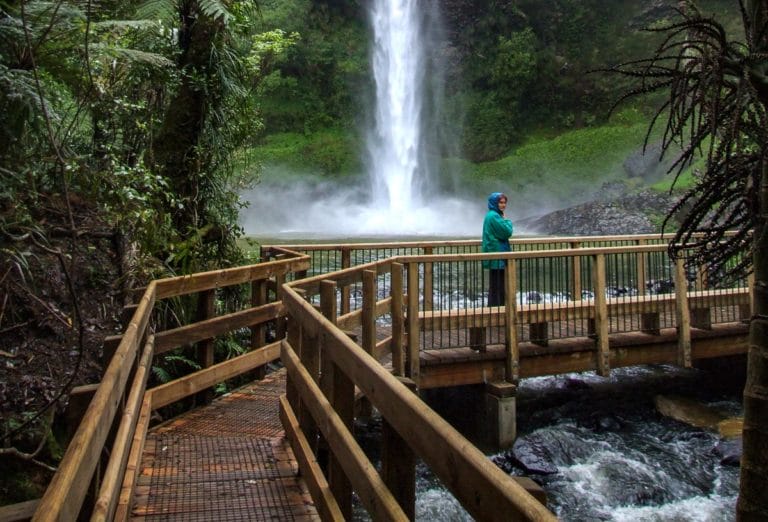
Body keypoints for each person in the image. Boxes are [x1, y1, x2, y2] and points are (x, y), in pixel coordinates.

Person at [482, 192, 513, 306]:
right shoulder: (494, 216)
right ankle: (497, 311)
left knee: (496, 285)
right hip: (497, 254)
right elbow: (507, 232)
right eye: (500, 202)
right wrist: (507, 220)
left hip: (495, 254)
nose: (503, 205)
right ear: (494, 203)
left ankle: (495, 310)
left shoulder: (491, 215)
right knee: (498, 285)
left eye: (504, 203)